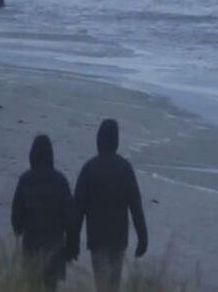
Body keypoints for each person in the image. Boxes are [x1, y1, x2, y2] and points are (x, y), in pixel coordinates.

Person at [73, 119, 149, 292]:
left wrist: (73, 240)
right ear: (116, 141)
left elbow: (78, 208)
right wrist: (142, 237)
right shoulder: (125, 168)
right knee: (114, 284)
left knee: (102, 284)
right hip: (118, 238)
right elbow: (135, 205)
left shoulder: (89, 169)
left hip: (97, 238)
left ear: (98, 140)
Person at [11, 134, 78, 291]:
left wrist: (19, 229)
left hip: (31, 246)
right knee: (50, 287)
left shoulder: (25, 180)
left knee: (31, 285)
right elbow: (71, 219)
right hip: (54, 248)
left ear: (32, 155)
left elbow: (16, 215)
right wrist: (71, 248)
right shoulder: (61, 181)